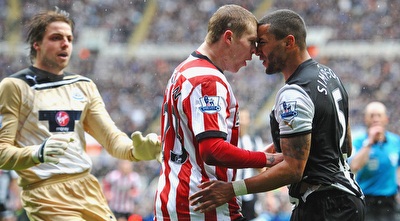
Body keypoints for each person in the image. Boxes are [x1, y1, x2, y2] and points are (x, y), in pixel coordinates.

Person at [189, 9, 366, 221]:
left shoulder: (294, 92)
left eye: (262, 42)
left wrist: (231, 189)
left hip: (325, 205)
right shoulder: (329, 76)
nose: (256, 51)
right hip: (344, 199)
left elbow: (292, 170)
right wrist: (261, 157)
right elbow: (344, 145)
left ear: (288, 42)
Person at [0, 8, 161, 221]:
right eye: (56, 38)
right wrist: (37, 153)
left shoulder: (84, 87)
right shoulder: (15, 86)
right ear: (36, 44)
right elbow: (2, 153)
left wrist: (136, 151)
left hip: (88, 190)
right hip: (46, 195)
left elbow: (113, 140)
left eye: (69, 38)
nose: (65, 43)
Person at [155, 4, 283, 221]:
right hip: (202, 204)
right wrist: (266, 159)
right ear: (229, 37)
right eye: (251, 42)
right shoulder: (208, 80)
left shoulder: (184, 70)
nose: (255, 51)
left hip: (179, 197)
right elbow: (212, 150)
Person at [349, 101, 400, 221]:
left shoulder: (395, 141)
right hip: (367, 202)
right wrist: (370, 142)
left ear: (386, 119)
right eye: (372, 115)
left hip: (390, 202)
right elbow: (354, 166)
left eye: (379, 115)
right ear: (365, 119)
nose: (375, 119)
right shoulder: (358, 142)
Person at [236, 109, 264, 220]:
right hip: (232, 191)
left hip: (249, 191)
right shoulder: (229, 141)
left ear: (249, 121)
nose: (242, 122)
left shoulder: (255, 141)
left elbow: (261, 169)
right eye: (240, 118)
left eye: (244, 118)